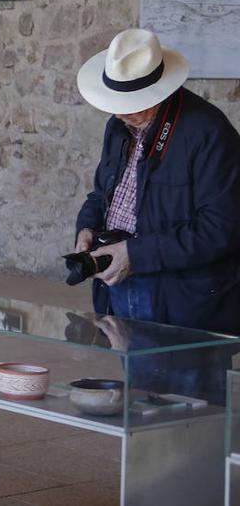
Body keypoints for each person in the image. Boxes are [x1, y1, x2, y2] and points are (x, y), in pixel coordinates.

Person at [75, 28, 240, 334]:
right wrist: (86, 228)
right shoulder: (118, 126)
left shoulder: (208, 133)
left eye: (130, 102)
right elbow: (102, 194)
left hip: (184, 302)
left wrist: (136, 254)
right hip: (120, 285)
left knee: (183, 382)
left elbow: (221, 229)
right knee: (134, 383)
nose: (120, 112)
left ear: (160, 91)